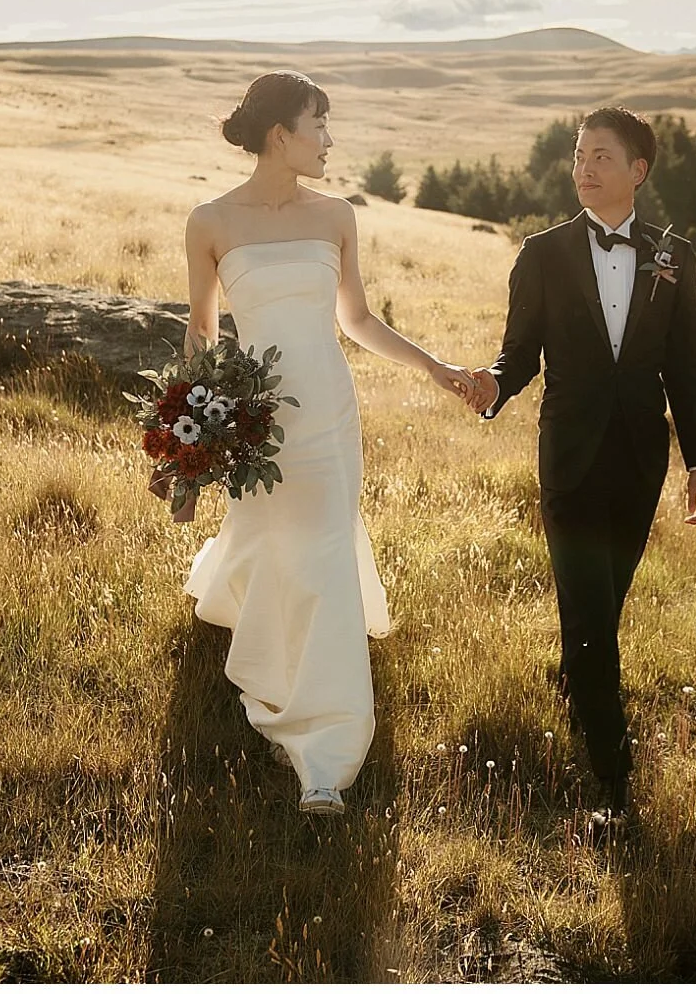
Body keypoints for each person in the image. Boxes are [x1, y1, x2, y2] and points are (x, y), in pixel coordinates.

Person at [180, 69, 480, 816]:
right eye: (320, 123)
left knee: (322, 556)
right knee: (265, 539)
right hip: (256, 421)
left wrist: (435, 367)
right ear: (281, 134)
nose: (329, 140)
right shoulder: (210, 222)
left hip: (328, 418)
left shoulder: (338, 215)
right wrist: (186, 438)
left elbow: (358, 321)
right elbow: (202, 332)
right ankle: (243, 613)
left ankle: (326, 751)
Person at [461, 106, 696, 829]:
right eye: (579, 154)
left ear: (638, 171)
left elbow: (684, 368)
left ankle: (576, 685)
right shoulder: (541, 254)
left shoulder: (674, 256)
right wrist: (492, 387)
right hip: (567, 460)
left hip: (641, 462)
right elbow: (520, 352)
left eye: (601, 156)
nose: (584, 167)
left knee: (605, 603)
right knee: (594, 615)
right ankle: (613, 778)